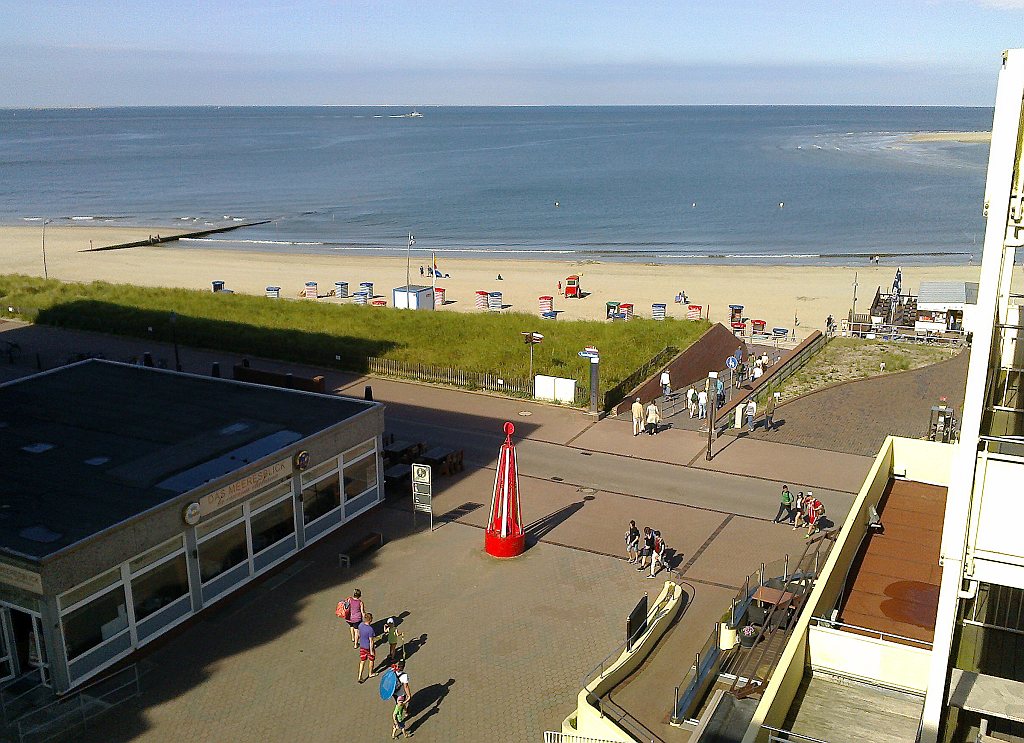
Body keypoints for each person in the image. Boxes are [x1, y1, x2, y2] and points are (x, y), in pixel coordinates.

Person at [357, 612, 378, 683]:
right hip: (368, 647)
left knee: (362, 661)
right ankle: (370, 673)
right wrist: (372, 651)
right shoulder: (370, 629)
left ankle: (360, 676)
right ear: (370, 620)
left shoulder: (360, 625)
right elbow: (371, 641)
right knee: (371, 660)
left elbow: (358, 633)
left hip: (362, 646)